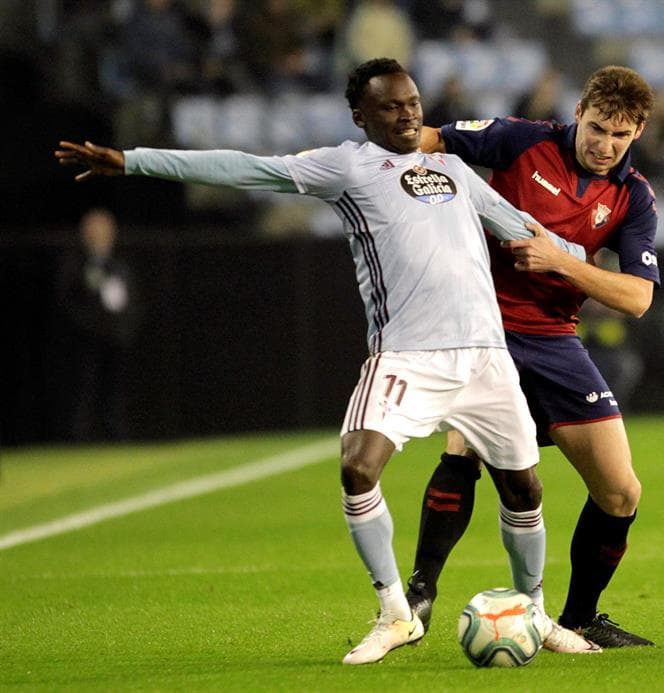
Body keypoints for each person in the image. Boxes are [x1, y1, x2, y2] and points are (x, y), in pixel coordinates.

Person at [55, 58, 600, 664]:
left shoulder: (450, 167)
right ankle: (396, 612)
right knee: (358, 467)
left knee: (524, 489)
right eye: (391, 106)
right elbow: (246, 169)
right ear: (360, 115)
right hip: (406, 358)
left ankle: (534, 612)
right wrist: (133, 160)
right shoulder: (346, 166)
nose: (408, 114)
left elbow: (521, 226)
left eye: (413, 103)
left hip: (486, 357)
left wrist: (592, 258)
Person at [405, 65, 660, 648]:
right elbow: (435, 138)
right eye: (597, 128)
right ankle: (417, 598)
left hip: (554, 339)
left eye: (620, 136)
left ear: (638, 132)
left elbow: (639, 298)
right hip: (483, 328)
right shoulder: (522, 141)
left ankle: (578, 619)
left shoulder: (632, 196)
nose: (604, 145)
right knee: (463, 447)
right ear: (578, 112)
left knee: (621, 492)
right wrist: (394, 158)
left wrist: (562, 262)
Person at [57, 207, 140, 442]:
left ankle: (116, 434)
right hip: (87, 340)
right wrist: (90, 327)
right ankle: (78, 436)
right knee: (84, 389)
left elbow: (131, 302)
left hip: (117, 339)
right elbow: (70, 301)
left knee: (114, 391)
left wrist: (124, 329)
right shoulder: (76, 263)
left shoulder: (119, 265)